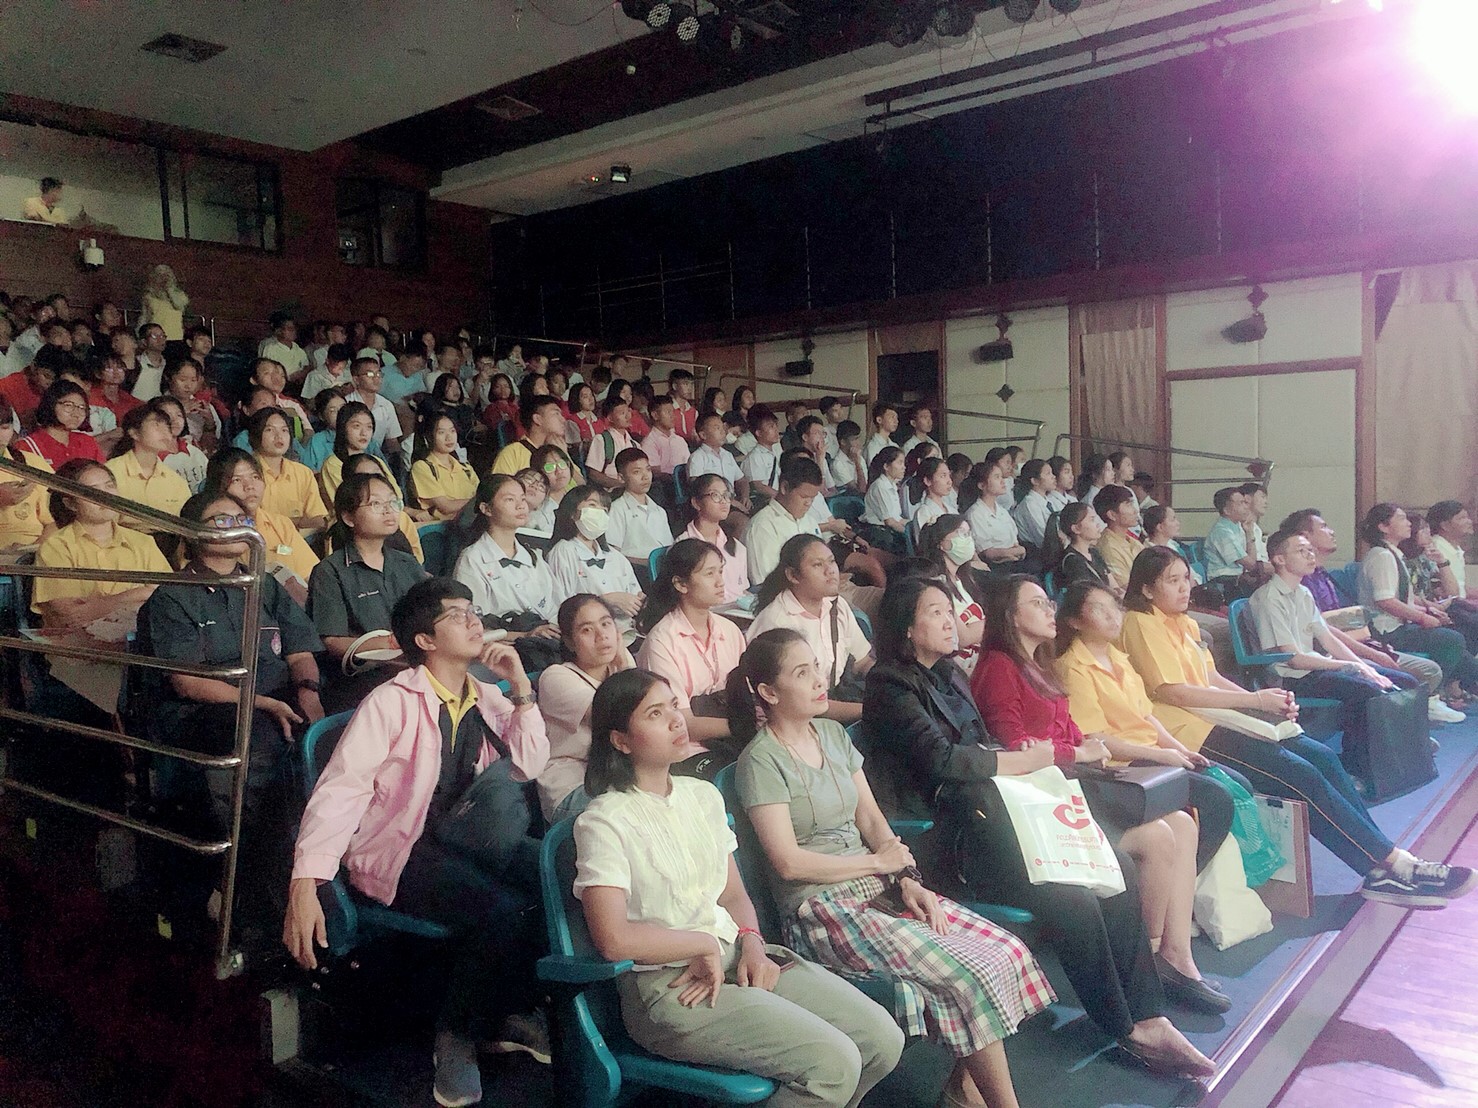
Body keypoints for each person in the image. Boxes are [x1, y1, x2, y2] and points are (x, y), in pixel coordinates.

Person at [859, 574, 1214, 1076]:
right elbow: (942, 762)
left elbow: (980, 745)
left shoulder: (950, 673)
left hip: (997, 814)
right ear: (906, 628)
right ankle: (1124, 1026)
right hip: (949, 836)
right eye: (935, 612)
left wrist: (1016, 754)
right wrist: (1024, 761)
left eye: (948, 610)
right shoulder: (889, 685)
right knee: (1073, 898)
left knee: (1113, 869)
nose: (950, 620)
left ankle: (1150, 1013)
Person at [731, 628, 1050, 1108]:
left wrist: (905, 877)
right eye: (801, 673)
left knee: (1005, 951)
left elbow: (872, 819)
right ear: (768, 692)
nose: (819, 680)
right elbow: (788, 863)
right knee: (967, 975)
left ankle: (963, 1090)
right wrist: (875, 862)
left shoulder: (832, 735)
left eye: (816, 666)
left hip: (878, 884)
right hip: (822, 908)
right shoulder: (760, 761)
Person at [573, 668, 903, 1107]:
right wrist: (702, 944)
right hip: (669, 985)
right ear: (620, 740)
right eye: (654, 714)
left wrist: (752, 944)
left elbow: (732, 895)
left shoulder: (701, 795)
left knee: (882, 1039)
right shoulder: (603, 821)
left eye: (673, 706)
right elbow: (613, 939)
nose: (675, 720)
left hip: (736, 957)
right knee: (833, 1064)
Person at [284, 578, 549, 1108]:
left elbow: (529, 763)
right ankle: (456, 1036)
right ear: (425, 640)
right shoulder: (391, 702)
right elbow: (342, 789)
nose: (473, 620)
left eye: (472, 610)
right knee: (501, 911)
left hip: (467, 835)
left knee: (555, 878)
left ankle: (502, 1010)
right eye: (456, 615)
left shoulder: (484, 694)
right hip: (401, 848)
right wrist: (306, 880)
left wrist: (520, 686)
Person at [1120, 545, 1473, 908]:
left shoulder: (1184, 622)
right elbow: (1173, 692)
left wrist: (1261, 705)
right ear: (1146, 589)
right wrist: (1255, 703)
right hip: (1186, 730)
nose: (1184, 587)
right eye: (1172, 581)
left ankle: (1384, 858)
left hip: (1216, 714)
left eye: (1185, 578)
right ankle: (1388, 865)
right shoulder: (1140, 623)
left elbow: (1208, 677)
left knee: (1322, 757)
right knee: (1298, 773)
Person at [972, 575, 1228, 1014]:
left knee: (1184, 824)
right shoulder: (998, 666)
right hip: (1045, 796)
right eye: (1037, 604)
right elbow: (1014, 745)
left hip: (1075, 780)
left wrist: (1085, 748)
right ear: (1010, 616)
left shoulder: (1041, 663)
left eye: (1048, 602)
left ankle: (1176, 956)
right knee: (1159, 837)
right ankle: (1146, 962)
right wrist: (1079, 751)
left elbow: (1071, 732)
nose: (1050, 610)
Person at [143, 490, 322, 932]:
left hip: (277, 695)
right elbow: (187, 682)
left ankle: (314, 865)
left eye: (241, 518)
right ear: (193, 533)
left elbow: (299, 649)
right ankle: (249, 882)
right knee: (260, 742)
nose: (237, 526)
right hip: (208, 708)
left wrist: (309, 693)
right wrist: (263, 703)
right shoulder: (173, 596)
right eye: (221, 520)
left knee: (343, 726)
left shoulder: (264, 583)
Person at [1055, 581, 1246, 874]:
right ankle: (1183, 880)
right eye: (1098, 609)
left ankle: (1189, 878)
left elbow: (1148, 716)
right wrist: (1161, 755)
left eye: (1114, 607)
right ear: (1074, 621)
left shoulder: (1118, 658)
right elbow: (1095, 738)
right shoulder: (1073, 667)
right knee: (1216, 799)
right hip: (1119, 765)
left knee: (1238, 784)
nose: (1112, 616)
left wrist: (1179, 749)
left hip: (1152, 752)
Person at [1278, 507, 1452, 719]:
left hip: (1348, 645)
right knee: (1413, 673)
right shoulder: (1295, 587)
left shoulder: (1317, 578)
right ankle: (1407, 721)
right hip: (1318, 662)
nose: (1331, 531)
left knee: (1412, 671)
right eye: (1323, 527)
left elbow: (1330, 630)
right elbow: (1321, 637)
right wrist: (1366, 658)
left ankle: (1409, 722)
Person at [308, 472, 429, 711]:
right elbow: (332, 640)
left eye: (392, 502)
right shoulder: (330, 571)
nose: (388, 510)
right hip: (367, 676)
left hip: (418, 663)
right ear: (348, 517)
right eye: (375, 504)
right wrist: (392, 646)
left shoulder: (406, 562)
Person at [635, 539, 746, 776]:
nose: (720, 581)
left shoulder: (730, 630)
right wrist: (747, 725)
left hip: (732, 739)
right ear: (681, 584)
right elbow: (681, 723)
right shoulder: (662, 641)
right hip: (687, 750)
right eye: (709, 573)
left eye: (720, 571)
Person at [1358, 503, 1478, 704]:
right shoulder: (1381, 556)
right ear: (1383, 527)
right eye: (1401, 518)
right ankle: (1431, 696)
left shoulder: (1393, 554)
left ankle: (1446, 690)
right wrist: (1422, 617)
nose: (1408, 524)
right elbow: (1386, 601)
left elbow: (1405, 598)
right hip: (1385, 631)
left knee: (1456, 632)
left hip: (1399, 625)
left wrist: (1429, 611)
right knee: (1451, 639)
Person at [745, 535, 874, 723]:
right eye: (817, 565)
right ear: (793, 575)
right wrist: (872, 710)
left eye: (831, 561)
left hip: (837, 701)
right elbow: (801, 704)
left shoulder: (837, 606)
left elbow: (862, 662)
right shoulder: (777, 623)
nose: (830, 570)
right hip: (801, 717)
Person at [535, 595, 636, 821]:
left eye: (606, 623)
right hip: (574, 786)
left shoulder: (617, 666)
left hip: (617, 775)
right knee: (640, 806)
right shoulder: (556, 677)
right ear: (570, 642)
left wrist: (622, 664)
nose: (602, 635)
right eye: (587, 630)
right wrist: (623, 665)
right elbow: (624, 719)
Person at [453, 472, 561, 648]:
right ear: (486, 509)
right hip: (503, 649)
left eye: (523, 499)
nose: (521, 506)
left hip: (547, 641)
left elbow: (557, 605)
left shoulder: (533, 556)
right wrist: (524, 635)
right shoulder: (472, 559)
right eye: (510, 500)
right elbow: (475, 625)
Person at [547, 486, 644, 642]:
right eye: (592, 505)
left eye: (604, 509)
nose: (600, 512)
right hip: (591, 638)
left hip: (627, 634)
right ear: (573, 513)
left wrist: (640, 601)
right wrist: (606, 600)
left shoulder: (615, 556)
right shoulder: (564, 551)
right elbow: (562, 606)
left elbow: (635, 593)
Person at [104, 404, 190, 525]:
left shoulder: (177, 482)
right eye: (156, 425)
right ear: (134, 433)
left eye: (167, 426)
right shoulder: (110, 473)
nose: (165, 432)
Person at [249, 408, 329, 530]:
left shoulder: (303, 473)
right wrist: (297, 522)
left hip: (298, 540)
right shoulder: (245, 473)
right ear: (256, 435)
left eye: (284, 430)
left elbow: (318, 520)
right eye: (269, 430)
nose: (279, 436)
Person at [682, 473, 750, 601]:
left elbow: (742, 591)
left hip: (737, 609)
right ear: (696, 503)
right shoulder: (683, 545)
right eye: (715, 495)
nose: (724, 501)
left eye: (726, 495)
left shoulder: (737, 547)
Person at [0, 399, 54, 551]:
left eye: (4, 428)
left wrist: (30, 550)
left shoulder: (31, 463)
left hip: (34, 552)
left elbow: (57, 521)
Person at [607, 448, 674, 569]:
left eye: (648, 470)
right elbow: (613, 554)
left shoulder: (659, 511)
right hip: (635, 570)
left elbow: (668, 547)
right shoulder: (617, 510)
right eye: (637, 472)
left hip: (663, 569)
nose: (645, 477)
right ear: (621, 478)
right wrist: (649, 564)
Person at [492, 393, 581, 483]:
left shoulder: (560, 449)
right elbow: (499, 488)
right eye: (556, 414)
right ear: (537, 419)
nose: (563, 420)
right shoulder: (513, 453)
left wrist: (565, 456)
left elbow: (582, 484)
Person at [408, 409, 477, 521]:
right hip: (444, 527)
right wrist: (478, 501)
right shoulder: (423, 467)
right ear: (429, 436)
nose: (449, 437)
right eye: (441, 432)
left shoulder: (466, 468)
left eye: (452, 431)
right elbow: (446, 507)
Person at [17, 381, 103, 469]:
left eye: (82, 408)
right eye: (68, 405)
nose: (76, 414)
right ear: (51, 404)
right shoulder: (27, 446)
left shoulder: (87, 442)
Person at [961, 461, 1028, 573]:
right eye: (997, 477)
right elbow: (987, 553)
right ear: (982, 485)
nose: (1002, 481)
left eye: (1001, 477)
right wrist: (1008, 553)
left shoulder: (1002, 511)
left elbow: (1015, 543)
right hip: (994, 568)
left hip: (1013, 562)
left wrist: (1017, 550)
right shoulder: (975, 514)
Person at [1204, 487, 1266, 598]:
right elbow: (1251, 564)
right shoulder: (1222, 531)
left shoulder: (1238, 526)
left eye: (1245, 502)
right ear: (1226, 510)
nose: (1246, 507)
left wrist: (1249, 532)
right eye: (1241, 503)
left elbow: (1252, 562)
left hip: (1237, 579)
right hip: (1224, 583)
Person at [688, 412, 750, 516]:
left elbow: (742, 480)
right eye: (717, 428)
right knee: (742, 522)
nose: (723, 431)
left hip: (732, 503)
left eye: (722, 427)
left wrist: (745, 496)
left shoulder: (728, 455)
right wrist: (729, 501)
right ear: (703, 435)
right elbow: (696, 487)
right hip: (714, 506)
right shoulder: (697, 457)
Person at [163, 357, 222, 453]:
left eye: (193, 380)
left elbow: (213, 443)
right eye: (182, 380)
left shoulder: (203, 405)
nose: (188, 385)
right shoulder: (158, 405)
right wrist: (181, 413)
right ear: (168, 378)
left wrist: (210, 422)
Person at [345, 357, 400, 459]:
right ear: (356, 380)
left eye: (378, 374)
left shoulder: (386, 405)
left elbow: (392, 440)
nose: (376, 378)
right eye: (370, 374)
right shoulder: (346, 403)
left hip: (376, 457)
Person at [858, 446, 908, 555]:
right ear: (886, 466)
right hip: (879, 533)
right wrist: (909, 534)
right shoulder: (880, 486)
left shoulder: (892, 485)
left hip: (891, 529)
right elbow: (889, 522)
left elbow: (898, 519)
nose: (904, 467)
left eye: (904, 463)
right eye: (900, 463)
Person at [1095, 485, 1146, 586]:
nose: (1135, 511)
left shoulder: (1133, 542)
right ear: (1112, 515)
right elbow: (1125, 586)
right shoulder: (1108, 547)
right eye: (1128, 505)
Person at [586, 396, 639, 490]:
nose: (628, 416)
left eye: (628, 411)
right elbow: (594, 474)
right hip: (610, 491)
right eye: (622, 413)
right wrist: (621, 485)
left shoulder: (634, 444)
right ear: (610, 418)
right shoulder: (601, 440)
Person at [1427, 500, 1473, 603]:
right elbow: (1448, 593)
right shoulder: (1435, 548)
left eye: (1467, 517)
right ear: (1445, 525)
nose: (1469, 521)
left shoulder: (1455, 548)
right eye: (1462, 518)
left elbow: (1462, 588)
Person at [740, 404, 785, 506]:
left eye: (776, 426)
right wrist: (781, 497)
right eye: (771, 427)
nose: (776, 430)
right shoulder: (754, 457)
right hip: (766, 502)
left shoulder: (776, 452)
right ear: (758, 433)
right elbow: (758, 486)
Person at [1009, 460, 1055, 548]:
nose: (1053, 477)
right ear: (1035, 481)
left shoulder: (1048, 500)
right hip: (1037, 552)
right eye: (1048, 473)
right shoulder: (1030, 504)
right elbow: (1041, 537)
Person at [300, 391, 346, 473]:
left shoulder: (363, 435)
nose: (340, 413)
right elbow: (307, 472)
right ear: (321, 416)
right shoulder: (317, 441)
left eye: (343, 408)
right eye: (332, 411)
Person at [139, 265, 189, 340]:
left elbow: (179, 305)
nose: (164, 278)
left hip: (176, 336)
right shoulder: (149, 297)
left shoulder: (180, 295)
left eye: (166, 275)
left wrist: (169, 291)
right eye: (160, 275)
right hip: (156, 338)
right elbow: (145, 317)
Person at [258, 313, 309, 381]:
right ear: (280, 331)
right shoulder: (271, 348)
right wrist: (288, 378)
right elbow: (267, 371)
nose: (293, 331)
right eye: (290, 329)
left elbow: (306, 366)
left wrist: (301, 374)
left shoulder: (298, 349)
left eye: (294, 329)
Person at [131, 324, 168, 402]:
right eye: (154, 336)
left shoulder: (168, 364)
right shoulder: (135, 363)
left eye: (162, 336)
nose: (160, 340)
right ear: (144, 341)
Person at [829, 420, 866, 496]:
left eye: (858, 438)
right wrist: (857, 464)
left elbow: (866, 485)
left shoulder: (859, 458)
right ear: (843, 442)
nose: (858, 443)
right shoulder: (837, 464)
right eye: (854, 439)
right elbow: (861, 490)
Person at [862, 403, 899, 467]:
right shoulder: (872, 446)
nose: (896, 421)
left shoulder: (895, 446)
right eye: (892, 417)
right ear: (879, 420)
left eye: (896, 418)